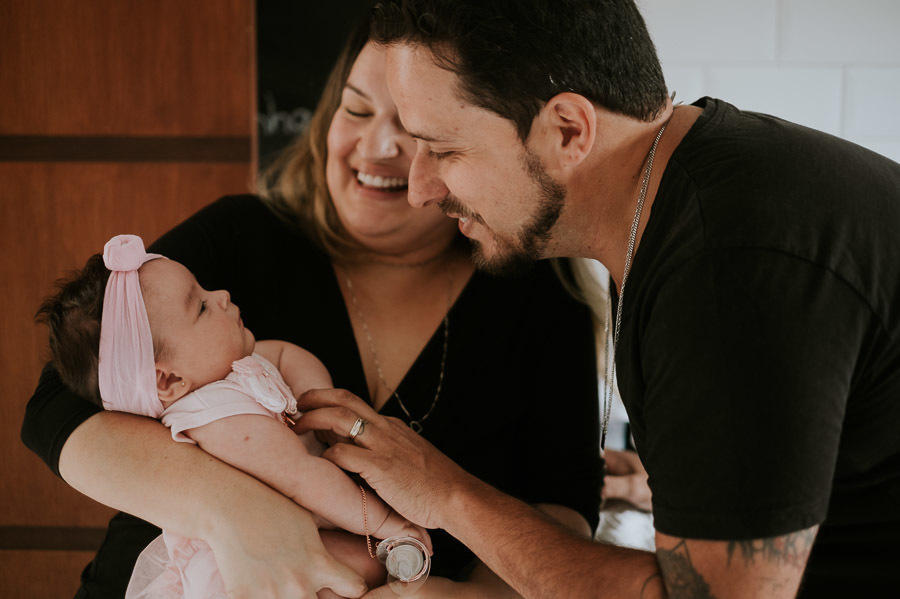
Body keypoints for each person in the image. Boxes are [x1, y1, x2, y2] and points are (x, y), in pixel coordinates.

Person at [293, 0, 900, 597]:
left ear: (568, 130)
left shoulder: (727, 265)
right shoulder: (686, 198)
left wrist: (446, 493)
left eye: (445, 150)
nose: (421, 189)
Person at [21, 14, 601, 599]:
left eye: (413, 126)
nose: (376, 147)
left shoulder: (541, 297)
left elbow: (563, 502)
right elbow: (56, 408)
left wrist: (466, 596)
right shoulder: (240, 235)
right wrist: (237, 511)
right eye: (355, 109)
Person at [37, 234, 430, 598]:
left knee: (363, 563)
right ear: (168, 379)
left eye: (204, 288)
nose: (222, 295)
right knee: (360, 565)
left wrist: (315, 401)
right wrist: (387, 524)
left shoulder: (234, 368)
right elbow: (305, 478)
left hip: (305, 517)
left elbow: (286, 354)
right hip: (246, 559)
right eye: (201, 307)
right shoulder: (218, 418)